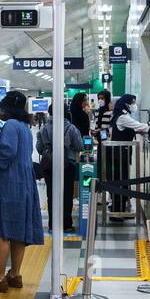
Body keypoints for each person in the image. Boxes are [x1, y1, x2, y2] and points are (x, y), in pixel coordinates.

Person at [0, 91, 43, 293]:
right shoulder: (25, 128)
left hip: (9, 185)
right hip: (24, 184)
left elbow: (7, 152)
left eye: (3, 107)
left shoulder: (11, 126)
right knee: (18, 233)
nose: (0, 111)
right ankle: (15, 274)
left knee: (2, 231)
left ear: (10, 109)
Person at [38, 92, 90, 232]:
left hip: (49, 165)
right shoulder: (71, 128)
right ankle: (66, 224)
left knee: (51, 193)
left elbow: (39, 148)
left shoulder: (43, 128)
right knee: (67, 193)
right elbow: (79, 146)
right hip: (68, 164)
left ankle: (52, 224)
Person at [108, 93, 148, 217]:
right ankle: (118, 210)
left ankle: (120, 207)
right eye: (133, 102)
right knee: (120, 179)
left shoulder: (118, 115)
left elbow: (130, 128)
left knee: (121, 179)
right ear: (126, 103)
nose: (134, 105)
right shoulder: (123, 117)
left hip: (119, 153)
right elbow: (139, 125)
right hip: (119, 154)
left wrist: (137, 130)